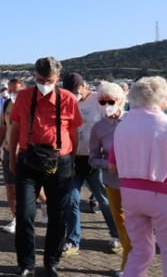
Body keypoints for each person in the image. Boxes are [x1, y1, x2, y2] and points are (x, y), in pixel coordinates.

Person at [8, 57, 83, 277]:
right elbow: (14, 127)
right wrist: (12, 158)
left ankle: (51, 262)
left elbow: (73, 133)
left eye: (49, 80)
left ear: (58, 78)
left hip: (59, 162)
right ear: (34, 76)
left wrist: (72, 159)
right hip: (28, 160)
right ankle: (26, 264)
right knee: (24, 214)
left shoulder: (68, 99)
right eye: (40, 79)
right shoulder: (23, 96)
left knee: (58, 215)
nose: (44, 84)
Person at [109, 76, 167, 276]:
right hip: (162, 193)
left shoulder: (122, 126)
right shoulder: (165, 124)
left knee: (140, 251)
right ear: (161, 99)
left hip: (130, 193)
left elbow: (112, 165)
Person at [61, 73, 120, 257]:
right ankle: (72, 241)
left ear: (84, 85)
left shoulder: (98, 100)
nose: (74, 95)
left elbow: (109, 124)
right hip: (74, 158)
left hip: (95, 159)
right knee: (71, 200)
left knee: (104, 201)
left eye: (76, 91)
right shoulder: (68, 101)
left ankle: (116, 236)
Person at [0, 78, 48, 233]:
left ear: (24, 89)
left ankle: (45, 204)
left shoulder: (33, 104)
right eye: (10, 91)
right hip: (8, 150)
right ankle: (16, 218)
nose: (12, 94)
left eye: (16, 91)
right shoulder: (6, 105)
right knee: (10, 186)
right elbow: (3, 127)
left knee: (32, 186)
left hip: (28, 150)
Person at [89, 82, 130, 276]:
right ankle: (128, 265)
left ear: (121, 101)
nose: (106, 105)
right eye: (102, 102)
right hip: (113, 181)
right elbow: (93, 157)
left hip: (138, 182)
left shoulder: (133, 120)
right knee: (120, 222)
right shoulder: (98, 128)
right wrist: (108, 165)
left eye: (110, 101)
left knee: (141, 223)